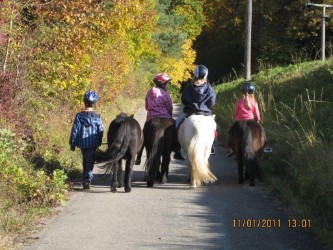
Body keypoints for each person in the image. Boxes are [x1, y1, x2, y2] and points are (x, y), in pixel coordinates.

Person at [174, 64, 217, 159]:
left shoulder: (189, 87)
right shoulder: (209, 88)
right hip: (205, 114)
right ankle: (212, 145)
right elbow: (212, 102)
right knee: (214, 127)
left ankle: (177, 149)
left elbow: (184, 100)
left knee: (176, 124)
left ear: (195, 74)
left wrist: (190, 105)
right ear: (206, 75)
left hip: (190, 112)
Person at [135, 73, 173, 164]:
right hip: (165, 117)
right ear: (163, 84)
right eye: (167, 83)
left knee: (143, 136)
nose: (167, 85)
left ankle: (139, 156)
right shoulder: (165, 94)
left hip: (151, 118)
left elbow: (147, 107)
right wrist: (170, 116)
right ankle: (177, 149)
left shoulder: (149, 92)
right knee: (175, 130)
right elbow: (169, 108)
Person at [69, 90, 104, 189]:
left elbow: (75, 130)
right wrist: (99, 141)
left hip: (82, 143)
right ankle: (87, 178)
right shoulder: (97, 117)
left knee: (85, 159)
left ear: (84, 101)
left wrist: (72, 143)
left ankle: (86, 178)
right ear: (94, 104)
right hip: (93, 143)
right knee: (90, 160)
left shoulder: (79, 116)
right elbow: (101, 130)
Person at [229, 81, 272, 155]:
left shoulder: (239, 102)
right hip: (251, 120)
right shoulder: (254, 102)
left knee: (231, 131)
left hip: (239, 121)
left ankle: (231, 147)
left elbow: (235, 113)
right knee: (262, 131)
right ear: (253, 92)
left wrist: (236, 118)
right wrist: (258, 120)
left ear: (242, 92)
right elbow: (257, 114)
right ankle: (265, 146)